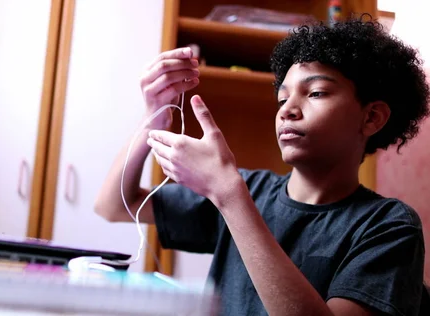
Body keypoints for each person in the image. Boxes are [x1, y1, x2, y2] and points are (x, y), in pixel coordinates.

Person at [94, 16, 429, 316]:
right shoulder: (248, 190)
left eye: (315, 93)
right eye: (283, 99)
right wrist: (153, 117)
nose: (287, 111)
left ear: (371, 117)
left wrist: (228, 194)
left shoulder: (389, 227)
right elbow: (113, 205)